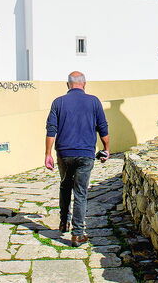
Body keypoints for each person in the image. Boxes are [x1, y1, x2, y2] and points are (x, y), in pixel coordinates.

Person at [44, 70, 110, 247]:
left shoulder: (58, 102)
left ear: (68, 84)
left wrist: (47, 154)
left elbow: (51, 129)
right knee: (80, 192)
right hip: (85, 153)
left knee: (65, 185)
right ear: (84, 84)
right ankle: (78, 234)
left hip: (64, 153)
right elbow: (103, 127)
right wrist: (106, 149)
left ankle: (63, 222)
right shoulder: (94, 101)